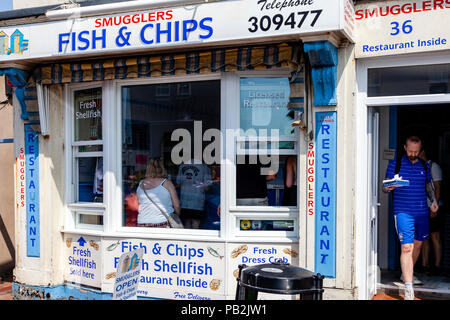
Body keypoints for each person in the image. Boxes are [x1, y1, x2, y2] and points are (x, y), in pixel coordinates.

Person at [383, 136, 439, 300]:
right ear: (405, 148)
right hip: (403, 212)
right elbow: (384, 188)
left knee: (418, 245)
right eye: (410, 151)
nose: (413, 154)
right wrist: (390, 186)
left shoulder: (424, 165)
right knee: (406, 248)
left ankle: (406, 274)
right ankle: (409, 288)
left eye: (416, 151)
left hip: (421, 212)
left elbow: (428, 186)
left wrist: (433, 202)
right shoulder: (396, 164)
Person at [419, 148, 444, 275]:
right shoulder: (418, 166)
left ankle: (437, 265)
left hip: (433, 206)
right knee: (424, 237)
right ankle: (425, 265)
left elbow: (438, 187)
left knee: (435, 236)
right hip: (422, 206)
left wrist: (435, 205)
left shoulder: (433, 167)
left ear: (423, 151)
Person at [137, 158, 181, 228]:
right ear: (162, 168)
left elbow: (139, 203)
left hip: (143, 223)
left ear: (148, 168)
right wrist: (177, 216)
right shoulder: (167, 183)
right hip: (162, 222)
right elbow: (177, 205)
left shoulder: (141, 184)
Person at [176, 159, 211, 229]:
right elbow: (207, 188)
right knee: (196, 223)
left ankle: (187, 239)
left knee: (187, 222)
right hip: (197, 201)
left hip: (185, 201)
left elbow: (178, 184)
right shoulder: (204, 167)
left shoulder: (182, 166)